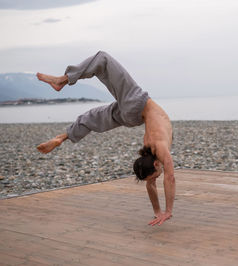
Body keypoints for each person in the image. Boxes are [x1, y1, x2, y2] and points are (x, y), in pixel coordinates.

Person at [36, 51, 175, 226]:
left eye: (153, 176)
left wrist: (158, 212)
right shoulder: (158, 149)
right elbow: (169, 178)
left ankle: (63, 136)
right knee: (102, 62)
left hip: (134, 111)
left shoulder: (153, 151)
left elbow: (152, 183)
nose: (155, 178)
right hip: (134, 112)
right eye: (155, 176)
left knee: (96, 113)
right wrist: (167, 212)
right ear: (155, 164)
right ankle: (62, 83)